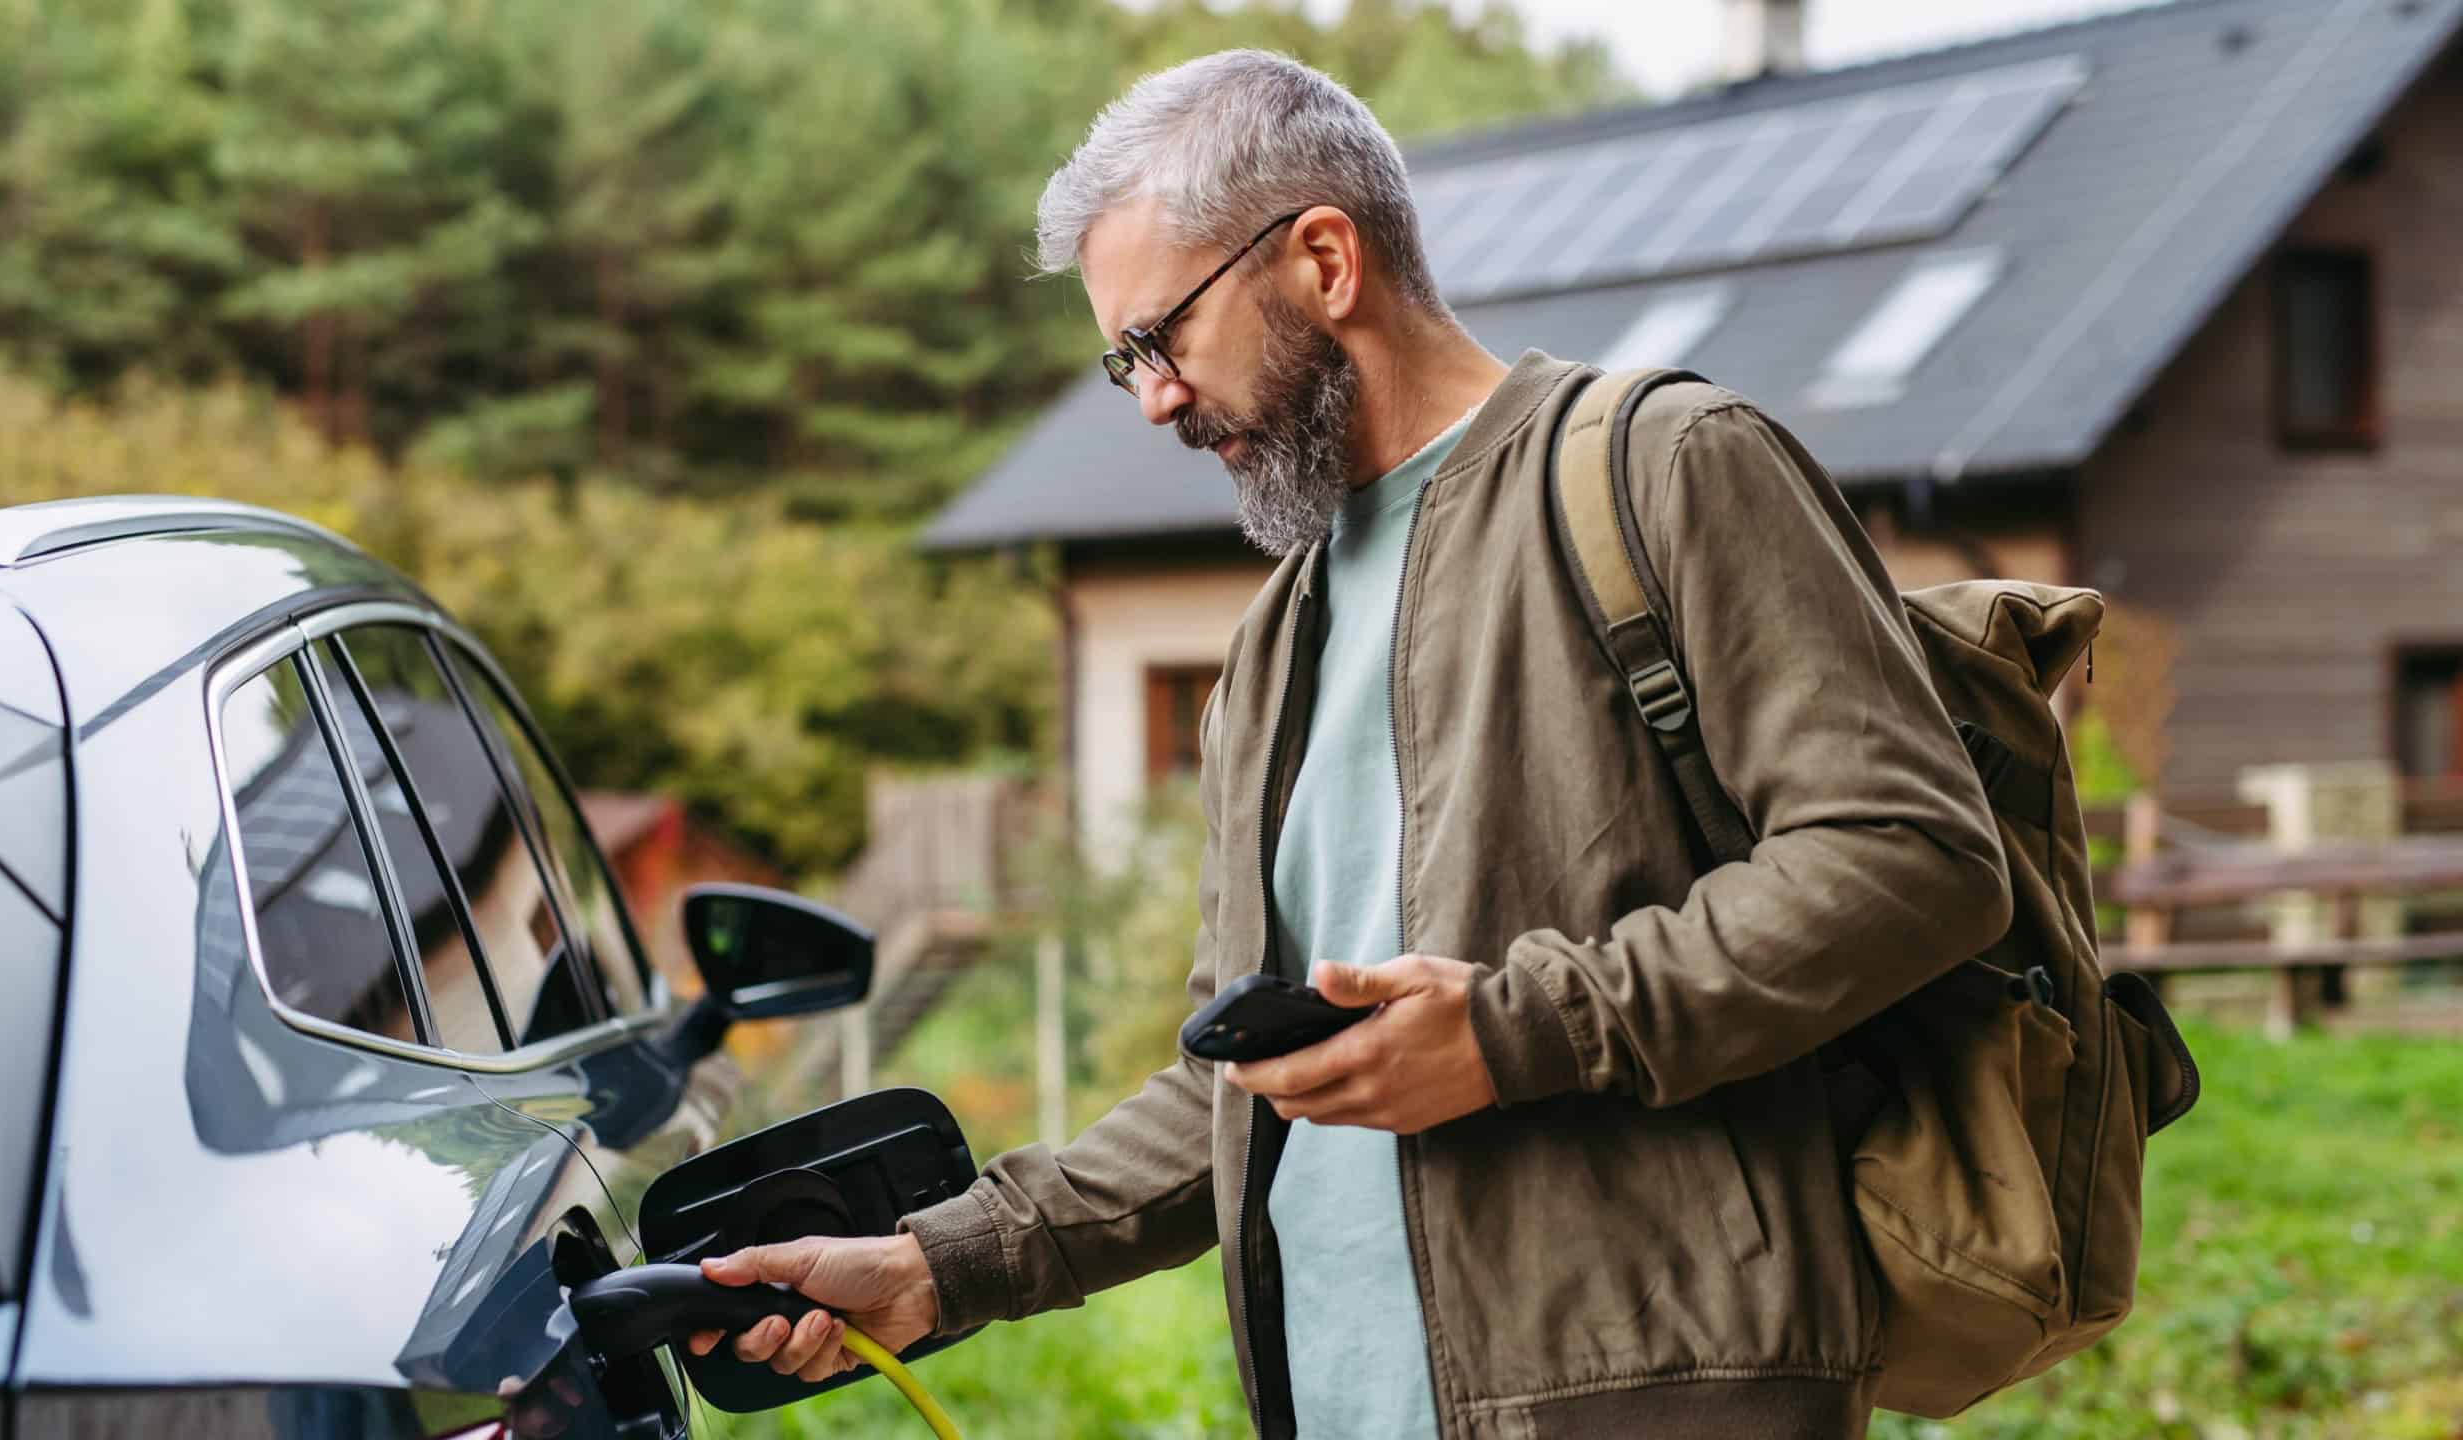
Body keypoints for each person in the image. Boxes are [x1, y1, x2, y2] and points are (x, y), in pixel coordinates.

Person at [689, 49, 2012, 1439]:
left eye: (1162, 340)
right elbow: (1236, 1090)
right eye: (1122, 359)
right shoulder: (1271, 643)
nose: (1151, 399)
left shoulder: (1670, 466)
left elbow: (1910, 857)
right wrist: (935, 1268)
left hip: (1655, 1397)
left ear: (1324, 258)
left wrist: (1513, 1034)